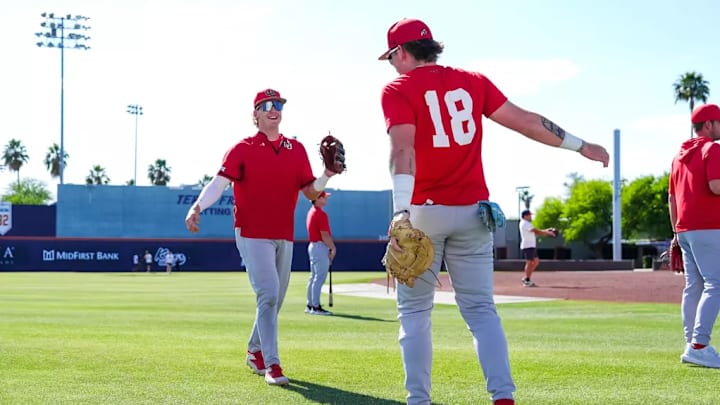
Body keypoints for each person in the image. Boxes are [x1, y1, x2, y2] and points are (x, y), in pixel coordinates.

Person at [378, 18, 609, 404]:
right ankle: (503, 397)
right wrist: (580, 145)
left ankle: (418, 399)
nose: (392, 65)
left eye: (392, 57)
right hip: (473, 212)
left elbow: (403, 151)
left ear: (402, 52)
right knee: (482, 311)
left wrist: (400, 212)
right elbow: (528, 123)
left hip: (424, 211)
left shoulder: (398, 88)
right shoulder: (473, 81)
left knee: (415, 314)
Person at [184, 88, 337, 385]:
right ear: (255, 114)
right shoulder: (242, 148)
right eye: (266, 105)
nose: (273, 109)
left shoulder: (296, 148)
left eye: (278, 104)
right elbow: (218, 184)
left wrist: (327, 173)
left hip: (284, 233)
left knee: (275, 299)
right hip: (252, 232)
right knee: (267, 294)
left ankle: (255, 350)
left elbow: (310, 191)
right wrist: (197, 206)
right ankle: (272, 365)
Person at [669, 103, 720, 369]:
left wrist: (676, 233)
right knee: (716, 284)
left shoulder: (679, 155)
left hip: (686, 228)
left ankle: (691, 343)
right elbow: (715, 186)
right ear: (709, 125)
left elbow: (671, 198)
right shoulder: (712, 149)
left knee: (695, 286)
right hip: (710, 227)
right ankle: (699, 345)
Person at [305, 191, 336, 315]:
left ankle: (310, 304)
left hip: (313, 246)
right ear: (317, 199)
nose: (326, 199)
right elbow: (324, 235)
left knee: (313, 277)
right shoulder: (320, 214)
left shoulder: (311, 212)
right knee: (319, 278)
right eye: (324, 197)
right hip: (319, 246)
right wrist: (332, 248)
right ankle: (315, 307)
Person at [518, 209, 557, 287]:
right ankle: (527, 281)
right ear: (525, 216)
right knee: (529, 262)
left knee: (536, 261)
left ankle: (527, 277)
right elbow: (536, 231)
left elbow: (536, 231)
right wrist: (548, 232)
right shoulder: (525, 223)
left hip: (531, 246)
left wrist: (546, 230)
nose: (530, 217)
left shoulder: (527, 223)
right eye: (529, 215)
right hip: (528, 246)